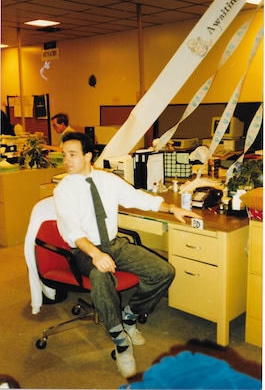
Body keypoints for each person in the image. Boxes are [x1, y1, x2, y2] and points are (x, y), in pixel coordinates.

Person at [53, 132, 200, 378]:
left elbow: (138, 198)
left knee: (163, 271)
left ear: (88, 156)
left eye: (72, 154)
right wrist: (96, 254)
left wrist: (171, 207)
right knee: (101, 277)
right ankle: (120, 339)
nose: (66, 160)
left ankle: (129, 315)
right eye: (64, 155)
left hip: (113, 244)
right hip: (84, 250)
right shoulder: (64, 190)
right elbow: (73, 232)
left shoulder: (107, 180)